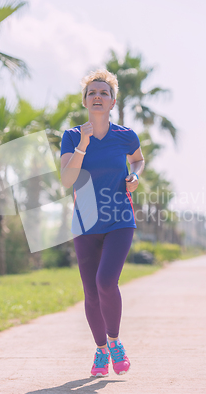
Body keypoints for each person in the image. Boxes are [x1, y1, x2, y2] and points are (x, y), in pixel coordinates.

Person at [60, 69, 144, 377]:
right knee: (91, 292)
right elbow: (67, 179)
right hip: (84, 222)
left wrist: (135, 175)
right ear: (84, 101)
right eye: (92, 92)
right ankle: (100, 351)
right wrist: (82, 144)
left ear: (112, 102)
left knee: (106, 281)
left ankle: (114, 342)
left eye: (103, 93)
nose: (98, 96)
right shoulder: (71, 136)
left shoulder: (126, 135)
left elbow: (138, 158)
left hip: (120, 218)